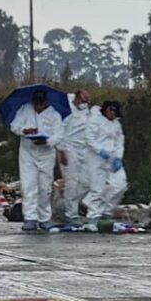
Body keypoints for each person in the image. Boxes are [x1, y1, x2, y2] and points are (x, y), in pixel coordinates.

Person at [8, 89, 63, 231]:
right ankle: (30, 218)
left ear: (46, 102)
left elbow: (59, 135)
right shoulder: (25, 109)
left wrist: (47, 141)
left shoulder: (54, 115)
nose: (38, 107)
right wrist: (24, 131)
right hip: (28, 153)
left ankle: (44, 218)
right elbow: (14, 126)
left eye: (41, 104)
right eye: (36, 104)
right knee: (28, 186)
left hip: (46, 153)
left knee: (45, 188)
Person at [83, 100, 128, 231]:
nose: (115, 117)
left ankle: (107, 212)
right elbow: (89, 139)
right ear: (108, 110)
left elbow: (120, 141)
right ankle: (93, 216)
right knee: (97, 188)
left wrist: (118, 158)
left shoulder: (116, 124)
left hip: (113, 159)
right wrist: (100, 151)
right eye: (114, 113)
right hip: (96, 158)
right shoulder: (94, 120)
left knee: (119, 186)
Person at [57, 89, 92, 226]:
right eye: (83, 101)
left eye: (87, 101)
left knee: (87, 181)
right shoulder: (65, 109)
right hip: (68, 148)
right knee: (72, 182)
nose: (85, 104)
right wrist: (61, 151)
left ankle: (68, 204)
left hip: (83, 149)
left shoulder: (86, 111)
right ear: (77, 99)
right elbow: (59, 130)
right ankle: (70, 215)